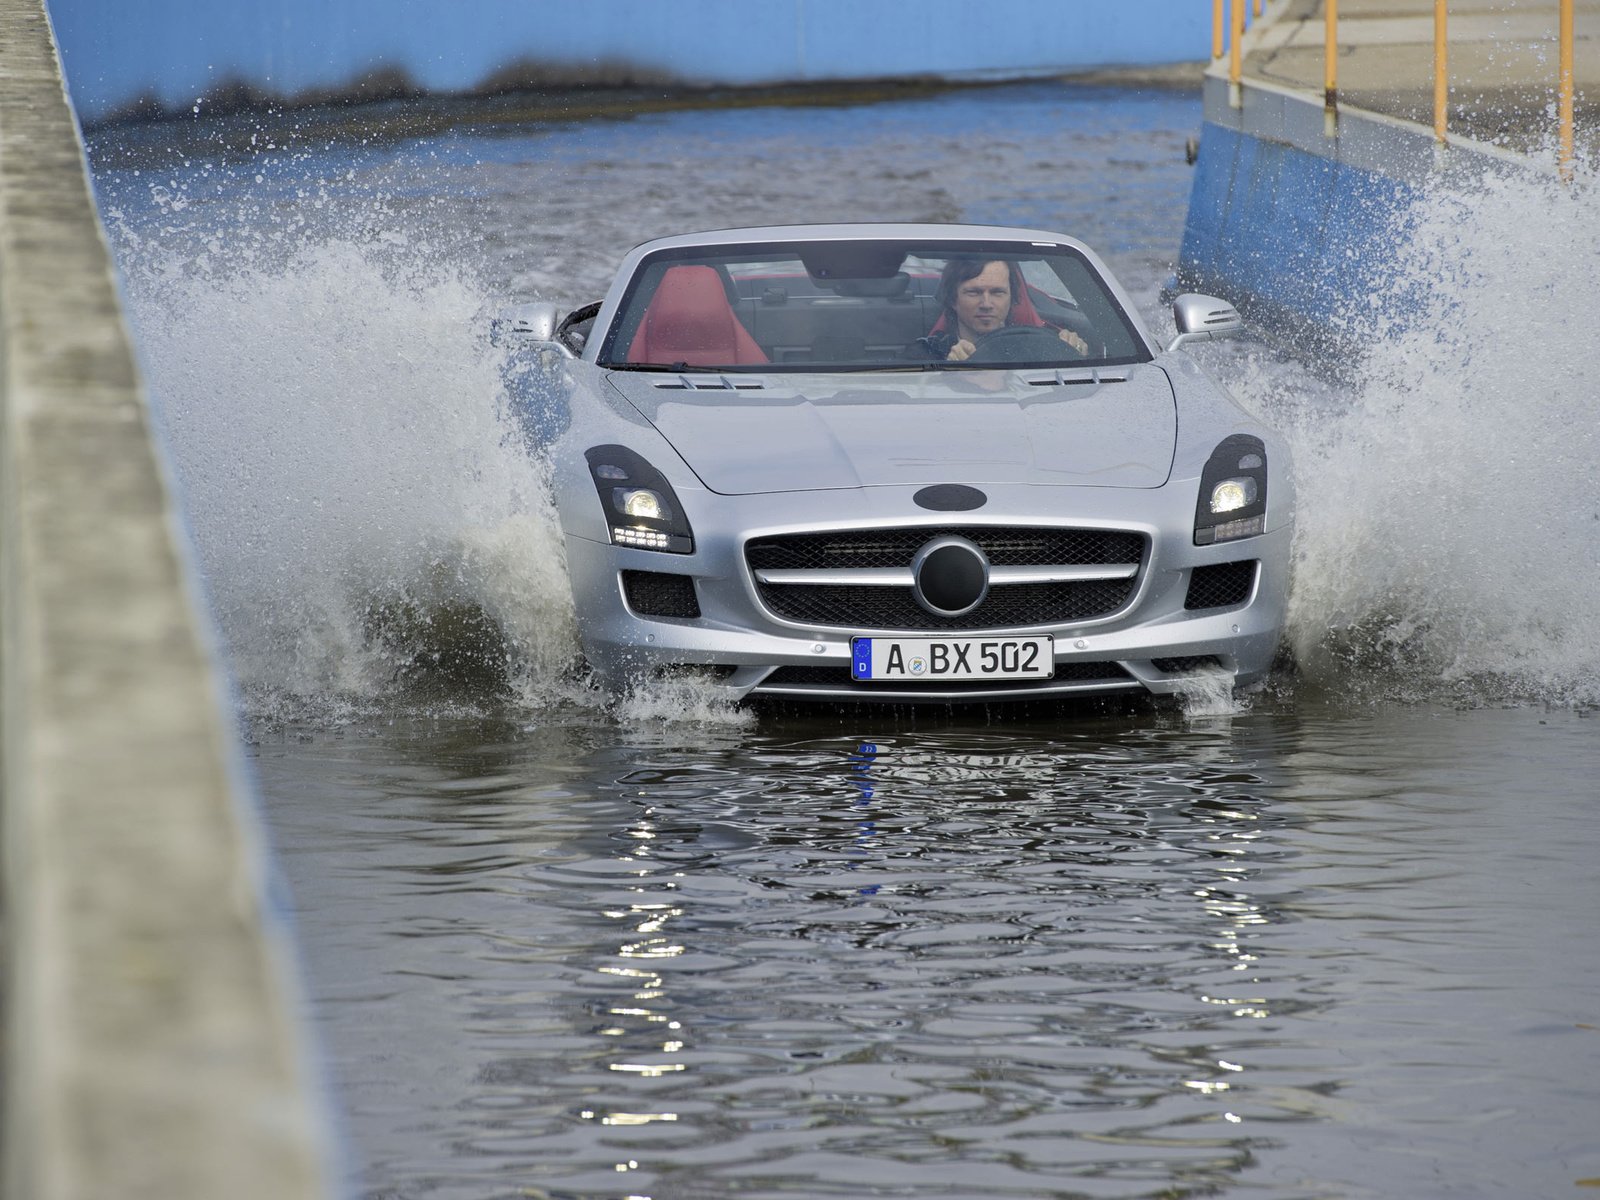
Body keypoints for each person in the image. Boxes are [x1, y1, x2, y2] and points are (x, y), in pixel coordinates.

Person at [915, 259, 1090, 362]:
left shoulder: (1044, 346)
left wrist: (1075, 355)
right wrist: (947, 371)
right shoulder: (926, 353)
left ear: (1012, 298)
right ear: (952, 299)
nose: (986, 303)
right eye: (974, 292)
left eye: (997, 292)